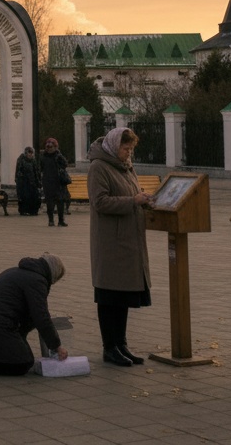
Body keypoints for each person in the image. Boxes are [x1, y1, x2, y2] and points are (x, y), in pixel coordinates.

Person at [87, 128, 152, 367]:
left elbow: (132, 193)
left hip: (128, 240)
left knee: (123, 295)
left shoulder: (126, 167)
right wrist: (132, 201)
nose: (128, 153)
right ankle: (109, 347)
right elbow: (100, 201)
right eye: (125, 149)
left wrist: (142, 198)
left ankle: (122, 344)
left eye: (131, 149)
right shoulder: (99, 167)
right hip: (110, 243)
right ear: (115, 147)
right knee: (109, 296)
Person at [39, 138, 71, 226]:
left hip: (59, 182)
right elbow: (40, 169)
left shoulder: (58, 156)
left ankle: (61, 220)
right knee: (50, 202)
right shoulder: (43, 157)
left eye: (51, 146)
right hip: (48, 182)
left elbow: (65, 165)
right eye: (47, 146)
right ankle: (51, 220)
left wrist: (60, 156)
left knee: (60, 201)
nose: (49, 148)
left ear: (56, 147)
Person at [15, 146, 41, 216]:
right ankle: (24, 210)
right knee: (25, 196)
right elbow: (18, 171)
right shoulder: (21, 160)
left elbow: (36, 171)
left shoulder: (33, 161)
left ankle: (33, 210)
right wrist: (20, 180)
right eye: (29, 153)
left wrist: (38, 181)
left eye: (31, 153)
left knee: (34, 196)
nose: (30, 155)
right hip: (24, 182)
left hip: (33, 182)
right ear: (26, 153)